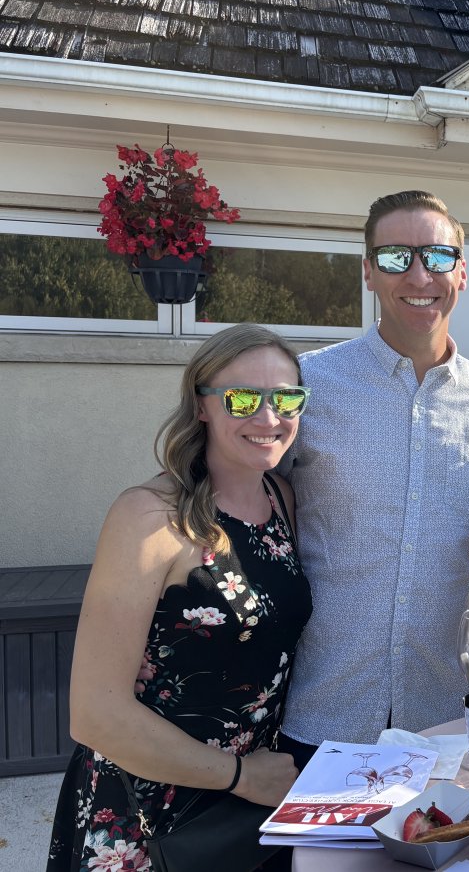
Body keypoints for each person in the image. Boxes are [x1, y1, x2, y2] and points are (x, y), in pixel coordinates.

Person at [47, 324, 313, 871]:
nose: (268, 418)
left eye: (286, 398)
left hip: (241, 812)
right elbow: (94, 714)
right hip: (143, 812)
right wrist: (240, 776)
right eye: (243, 398)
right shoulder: (149, 517)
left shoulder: (281, 498)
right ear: (203, 407)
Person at [280, 190, 469, 761]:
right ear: (368, 272)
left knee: (442, 848)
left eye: (437, 257)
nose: (418, 275)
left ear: (462, 273)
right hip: (322, 702)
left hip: (446, 706)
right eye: (394, 258)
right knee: (319, 856)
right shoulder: (309, 386)